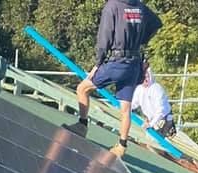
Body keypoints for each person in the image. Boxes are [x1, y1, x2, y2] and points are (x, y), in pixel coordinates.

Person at [64, 0, 162, 158]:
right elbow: (157, 23)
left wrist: (98, 64)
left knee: (82, 88)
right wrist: (142, 39)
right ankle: (121, 146)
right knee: (125, 109)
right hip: (134, 64)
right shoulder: (139, 6)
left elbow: (105, 37)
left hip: (117, 63)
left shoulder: (113, 6)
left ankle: (82, 126)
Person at [132, 63, 176, 136]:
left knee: (156, 142)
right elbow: (134, 103)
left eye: (147, 77)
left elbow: (160, 111)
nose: (145, 80)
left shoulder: (156, 89)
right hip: (151, 119)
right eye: (143, 77)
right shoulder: (139, 89)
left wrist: (150, 124)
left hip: (163, 120)